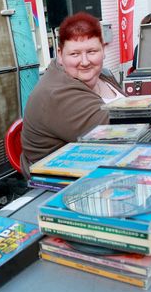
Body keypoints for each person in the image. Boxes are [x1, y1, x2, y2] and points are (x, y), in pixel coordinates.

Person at [20, 12, 123, 176]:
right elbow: (121, 133)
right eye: (75, 54)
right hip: (61, 185)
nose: (84, 61)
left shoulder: (103, 74)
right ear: (60, 55)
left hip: (100, 171)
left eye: (92, 51)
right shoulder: (56, 94)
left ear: (103, 50)